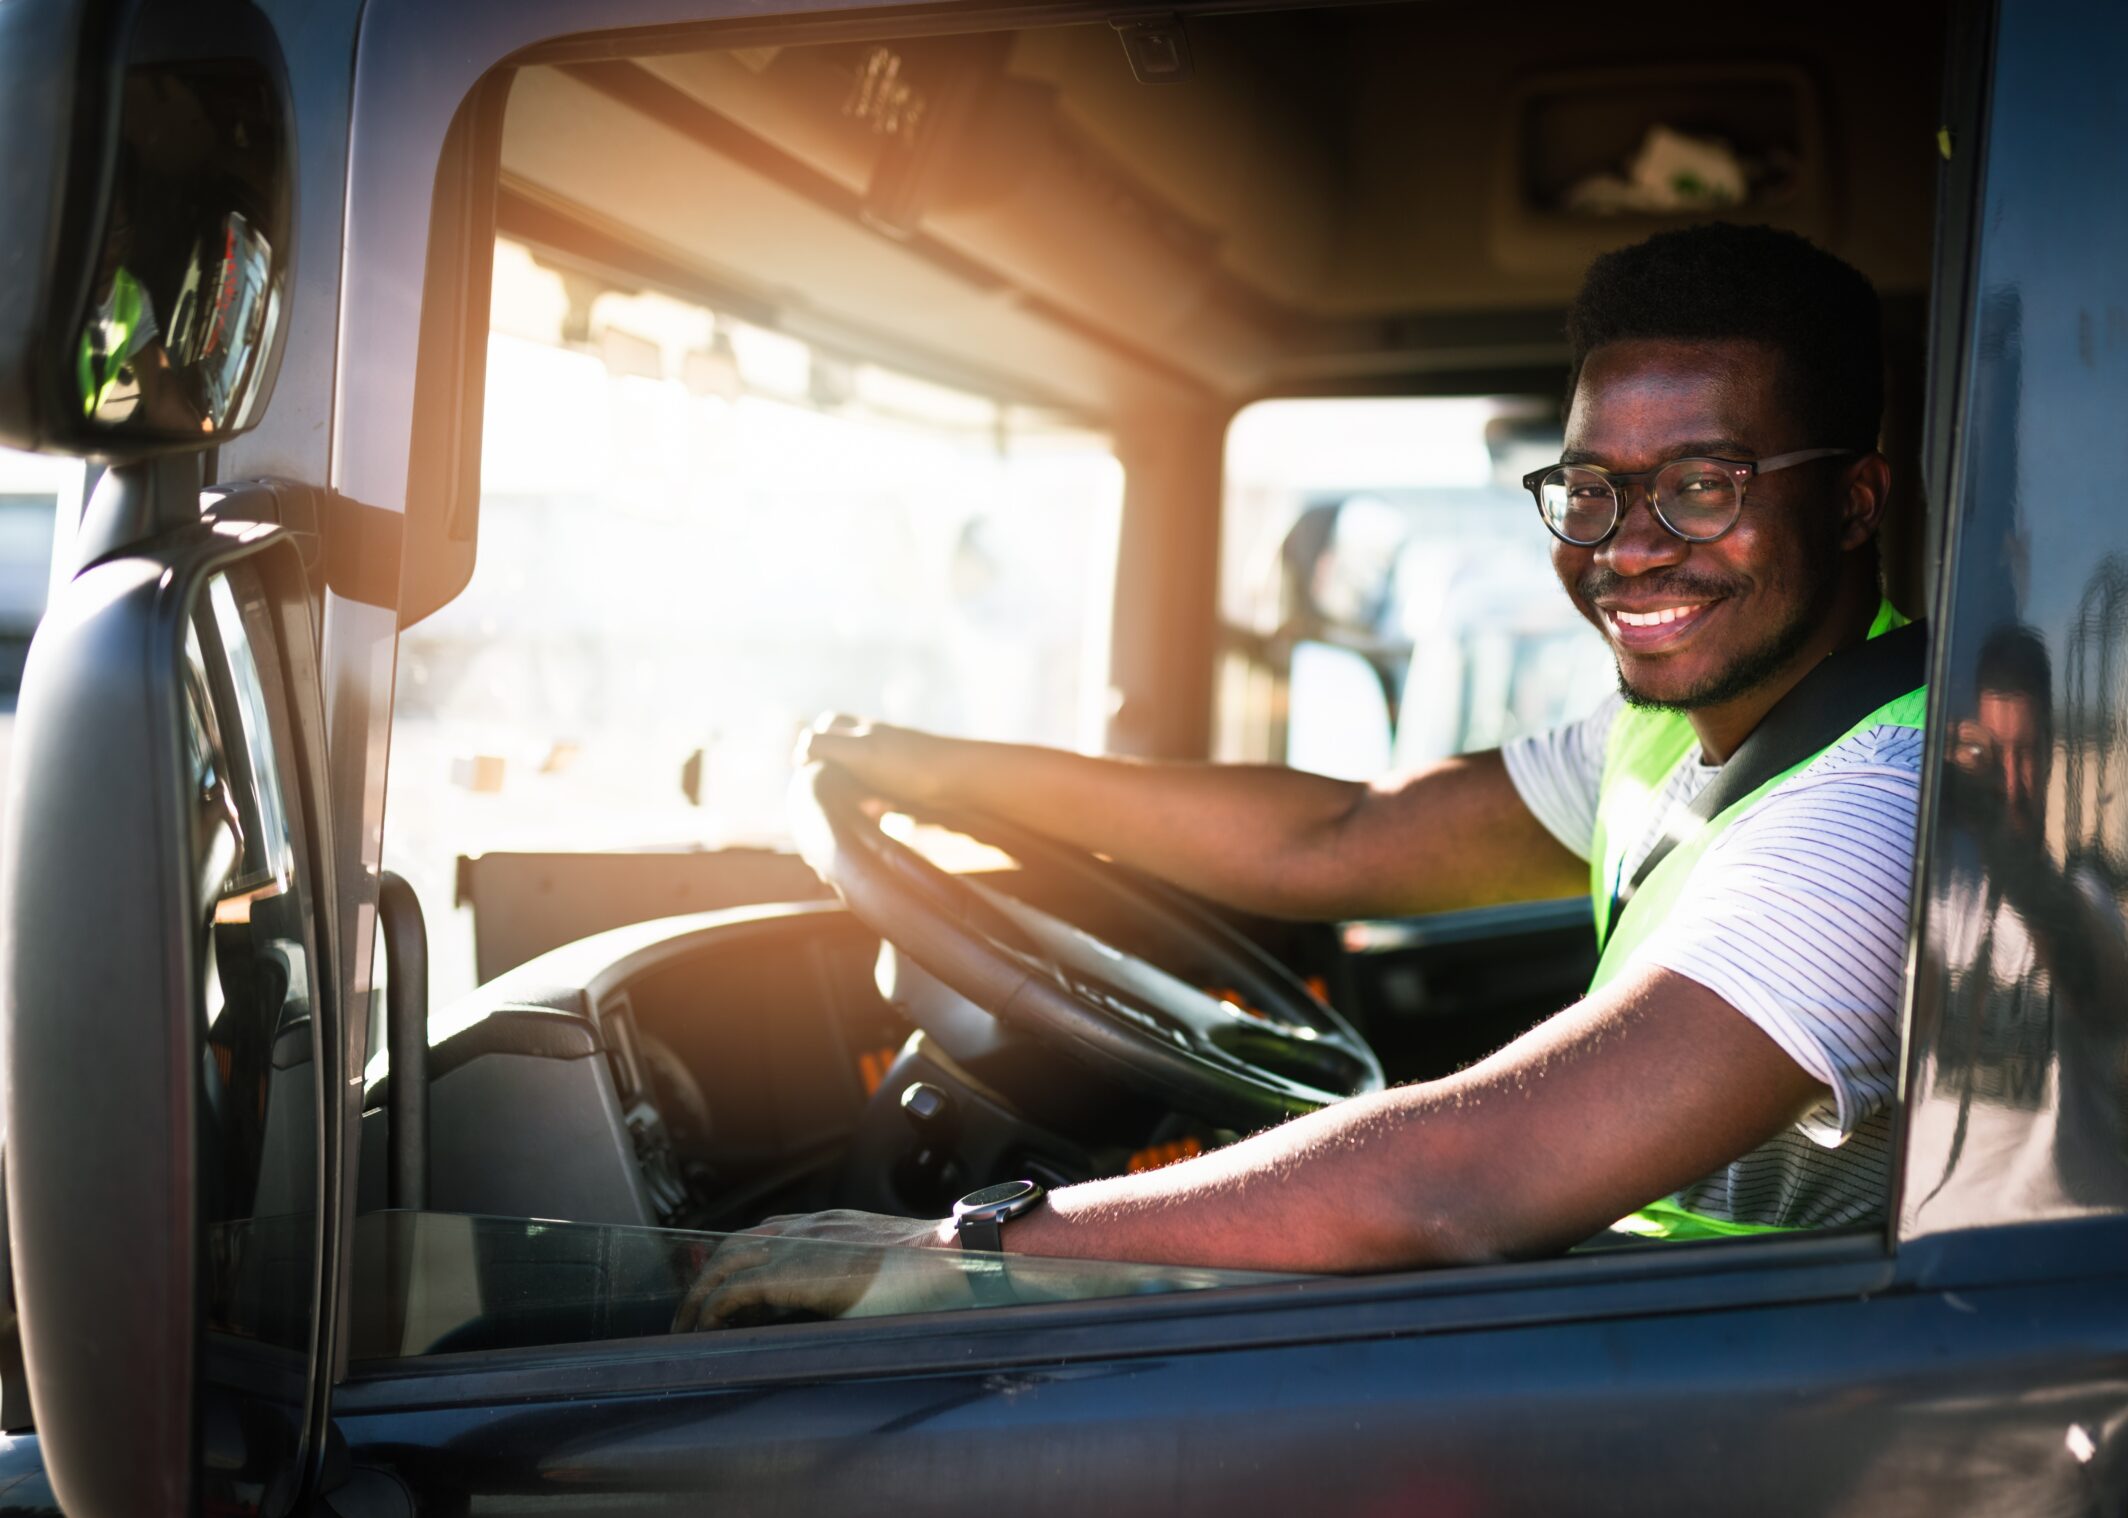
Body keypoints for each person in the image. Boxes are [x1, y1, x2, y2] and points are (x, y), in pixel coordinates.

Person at [679, 223, 1927, 1326]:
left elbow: (1457, 1182)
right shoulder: (1674, 728)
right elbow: (1334, 834)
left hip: (1743, 1385)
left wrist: (970, 1252)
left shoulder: (1874, 805)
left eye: (1703, 487)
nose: (1631, 547)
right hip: (1638, 1314)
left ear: (1857, 503)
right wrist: (941, 769)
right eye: (1594, 489)